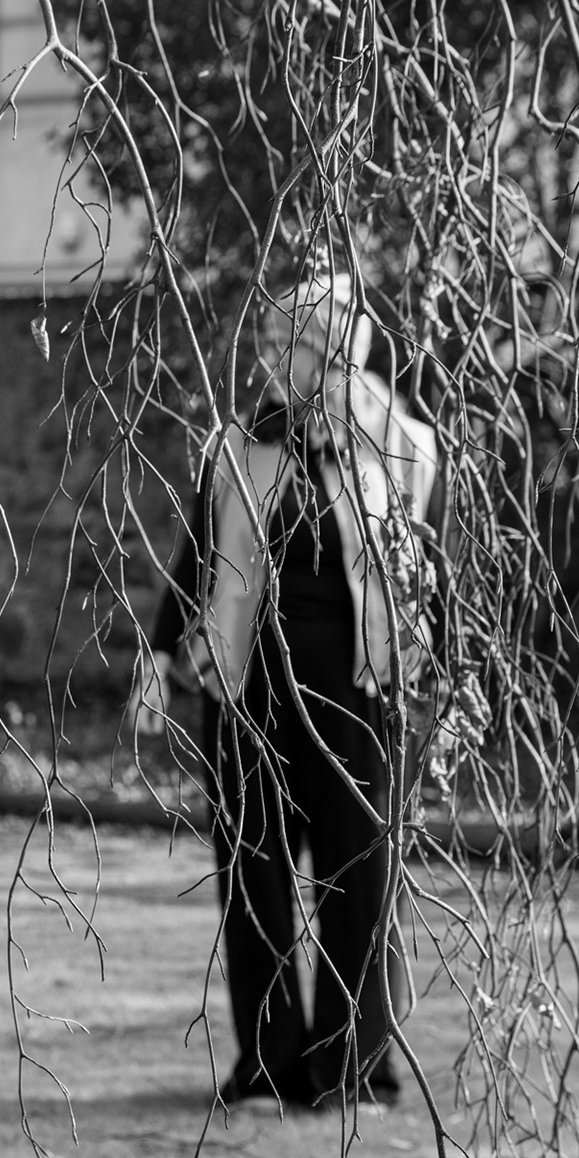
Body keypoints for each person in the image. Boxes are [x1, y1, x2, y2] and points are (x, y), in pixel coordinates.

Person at [129, 274, 438, 1114]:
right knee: (255, 883)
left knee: (359, 882)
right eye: (271, 339)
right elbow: (196, 558)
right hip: (248, 696)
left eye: (289, 342)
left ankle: (353, 1065)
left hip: (360, 695)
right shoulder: (234, 445)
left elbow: (431, 573)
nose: (272, 356)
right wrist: (160, 659)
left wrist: (437, 675)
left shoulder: (403, 447)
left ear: (335, 351)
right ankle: (268, 1065)